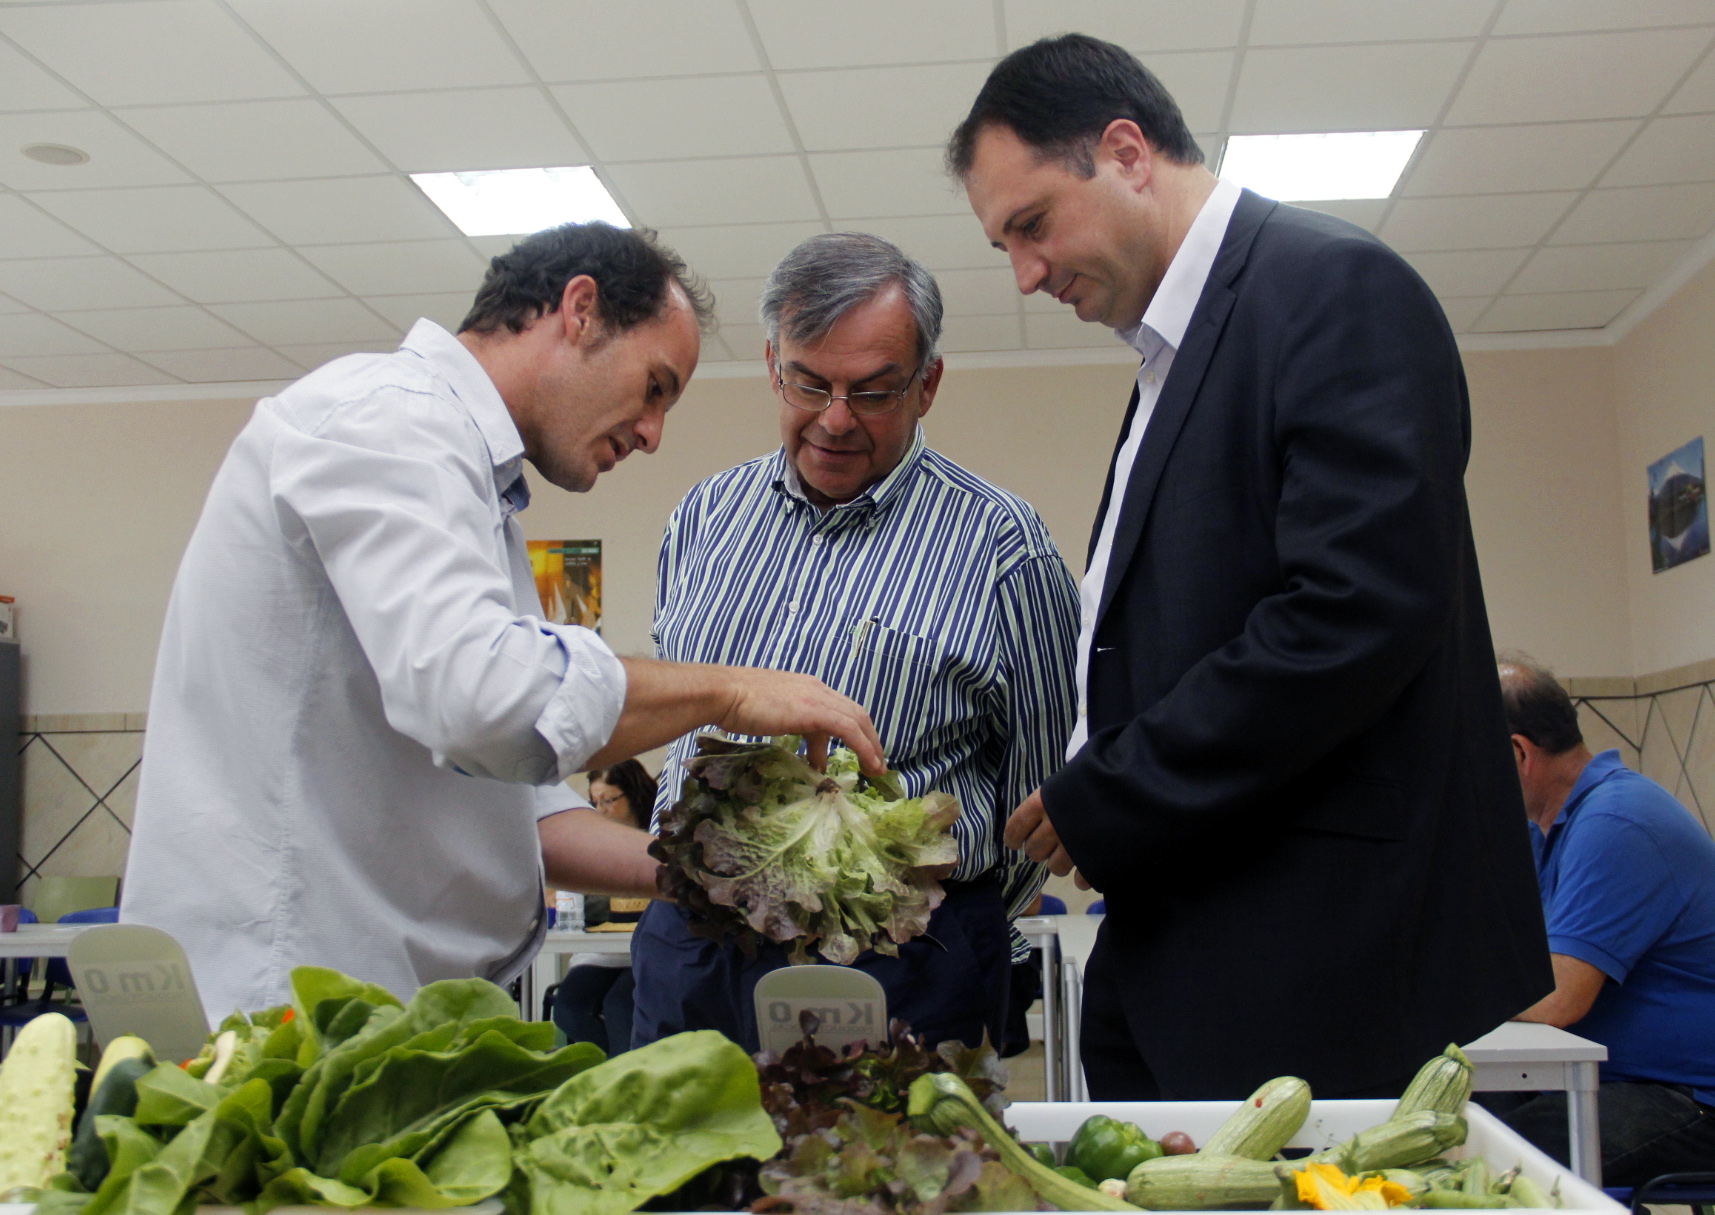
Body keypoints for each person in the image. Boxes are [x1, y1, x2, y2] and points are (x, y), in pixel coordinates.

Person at [948, 35, 1552, 1099]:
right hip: (1187, 928)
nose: (1025, 275)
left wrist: (1112, 790)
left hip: (1315, 947)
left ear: (1126, 152)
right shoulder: (1174, 356)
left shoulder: (1331, 287)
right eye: (1005, 245)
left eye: (1031, 225)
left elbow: (1350, 613)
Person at [123, 221, 884, 1020]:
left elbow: (517, 809)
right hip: (278, 1001)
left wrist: (722, 875)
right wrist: (727, 691)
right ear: (580, 311)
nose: (652, 434)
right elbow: (486, 702)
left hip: (360, 1003)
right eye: (654, 387)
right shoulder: (388, 419)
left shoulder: (472, 488)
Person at [630, 232, 1080, 1052]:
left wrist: (942, 909)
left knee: (898, 1144)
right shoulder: (703, 516)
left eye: (872, 392)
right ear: (773, 366)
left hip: (904, 948)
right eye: (809, 383)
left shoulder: (1004, 544)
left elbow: (1038, 787)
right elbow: (675, 717)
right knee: (677, 1140)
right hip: (696, 937)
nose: (834, 420)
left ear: (926, 385)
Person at [1491, 655, 1715, 1183]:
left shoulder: (1617, 820)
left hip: (1688, 1095)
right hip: (1621, 1076)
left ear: (1519, 753)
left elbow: (1559, 999)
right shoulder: (1554, 826)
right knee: (1454, 1114)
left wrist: (1448, 993)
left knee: (1491, 1160)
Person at [549, 760, 655, 1056]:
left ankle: (621, 1072)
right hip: (598, 953)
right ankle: (612, 1068)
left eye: (608, 800)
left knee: (620, 1005)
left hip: (640, 952)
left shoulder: (656, 837)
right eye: (594, 802)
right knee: (569, 1009)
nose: (600, 810)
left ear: (633, 794)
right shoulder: (590, 844)